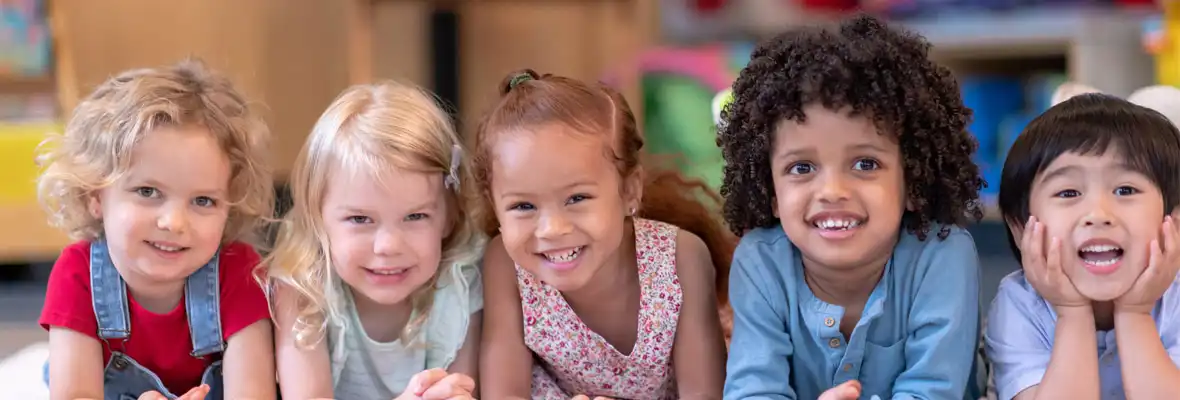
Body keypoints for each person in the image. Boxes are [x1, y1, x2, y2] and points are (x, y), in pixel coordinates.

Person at [718, 14, 987, 400]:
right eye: (802, 168)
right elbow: (753, 390)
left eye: (865, 164)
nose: (832, 191)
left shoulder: (942, 255)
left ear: (913, 181)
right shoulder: (760, 261)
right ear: (771, 191)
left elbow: (933, 390)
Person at [476, 69, 736, 399]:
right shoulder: (506, 266)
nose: (552, 228)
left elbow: (704, 395)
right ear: (495, 206)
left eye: (577, 198)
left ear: (629, 190)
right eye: (523, 206)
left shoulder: (680, 258)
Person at [35, 59, 277, 400]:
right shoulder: (78, 273)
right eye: (148, 192)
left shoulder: (239, 271)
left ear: (230, 206)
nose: (174, 222)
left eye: (203, 201)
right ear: (95, 196)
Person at [265, 82, 484, 400]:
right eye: (360, 219)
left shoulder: (460, 283)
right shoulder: (303, 289)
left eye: (415, 216)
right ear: (317, 218)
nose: (388, 246)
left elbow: (463, 390)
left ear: (450, 216)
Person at [986, 93, 1180, 400]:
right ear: (1022, 229)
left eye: (1125, 190)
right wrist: (1072, 313)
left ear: (1174, 224)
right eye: (1068, 193)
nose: (1098, 214)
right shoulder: (1019, 305)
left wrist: (1135, 314)